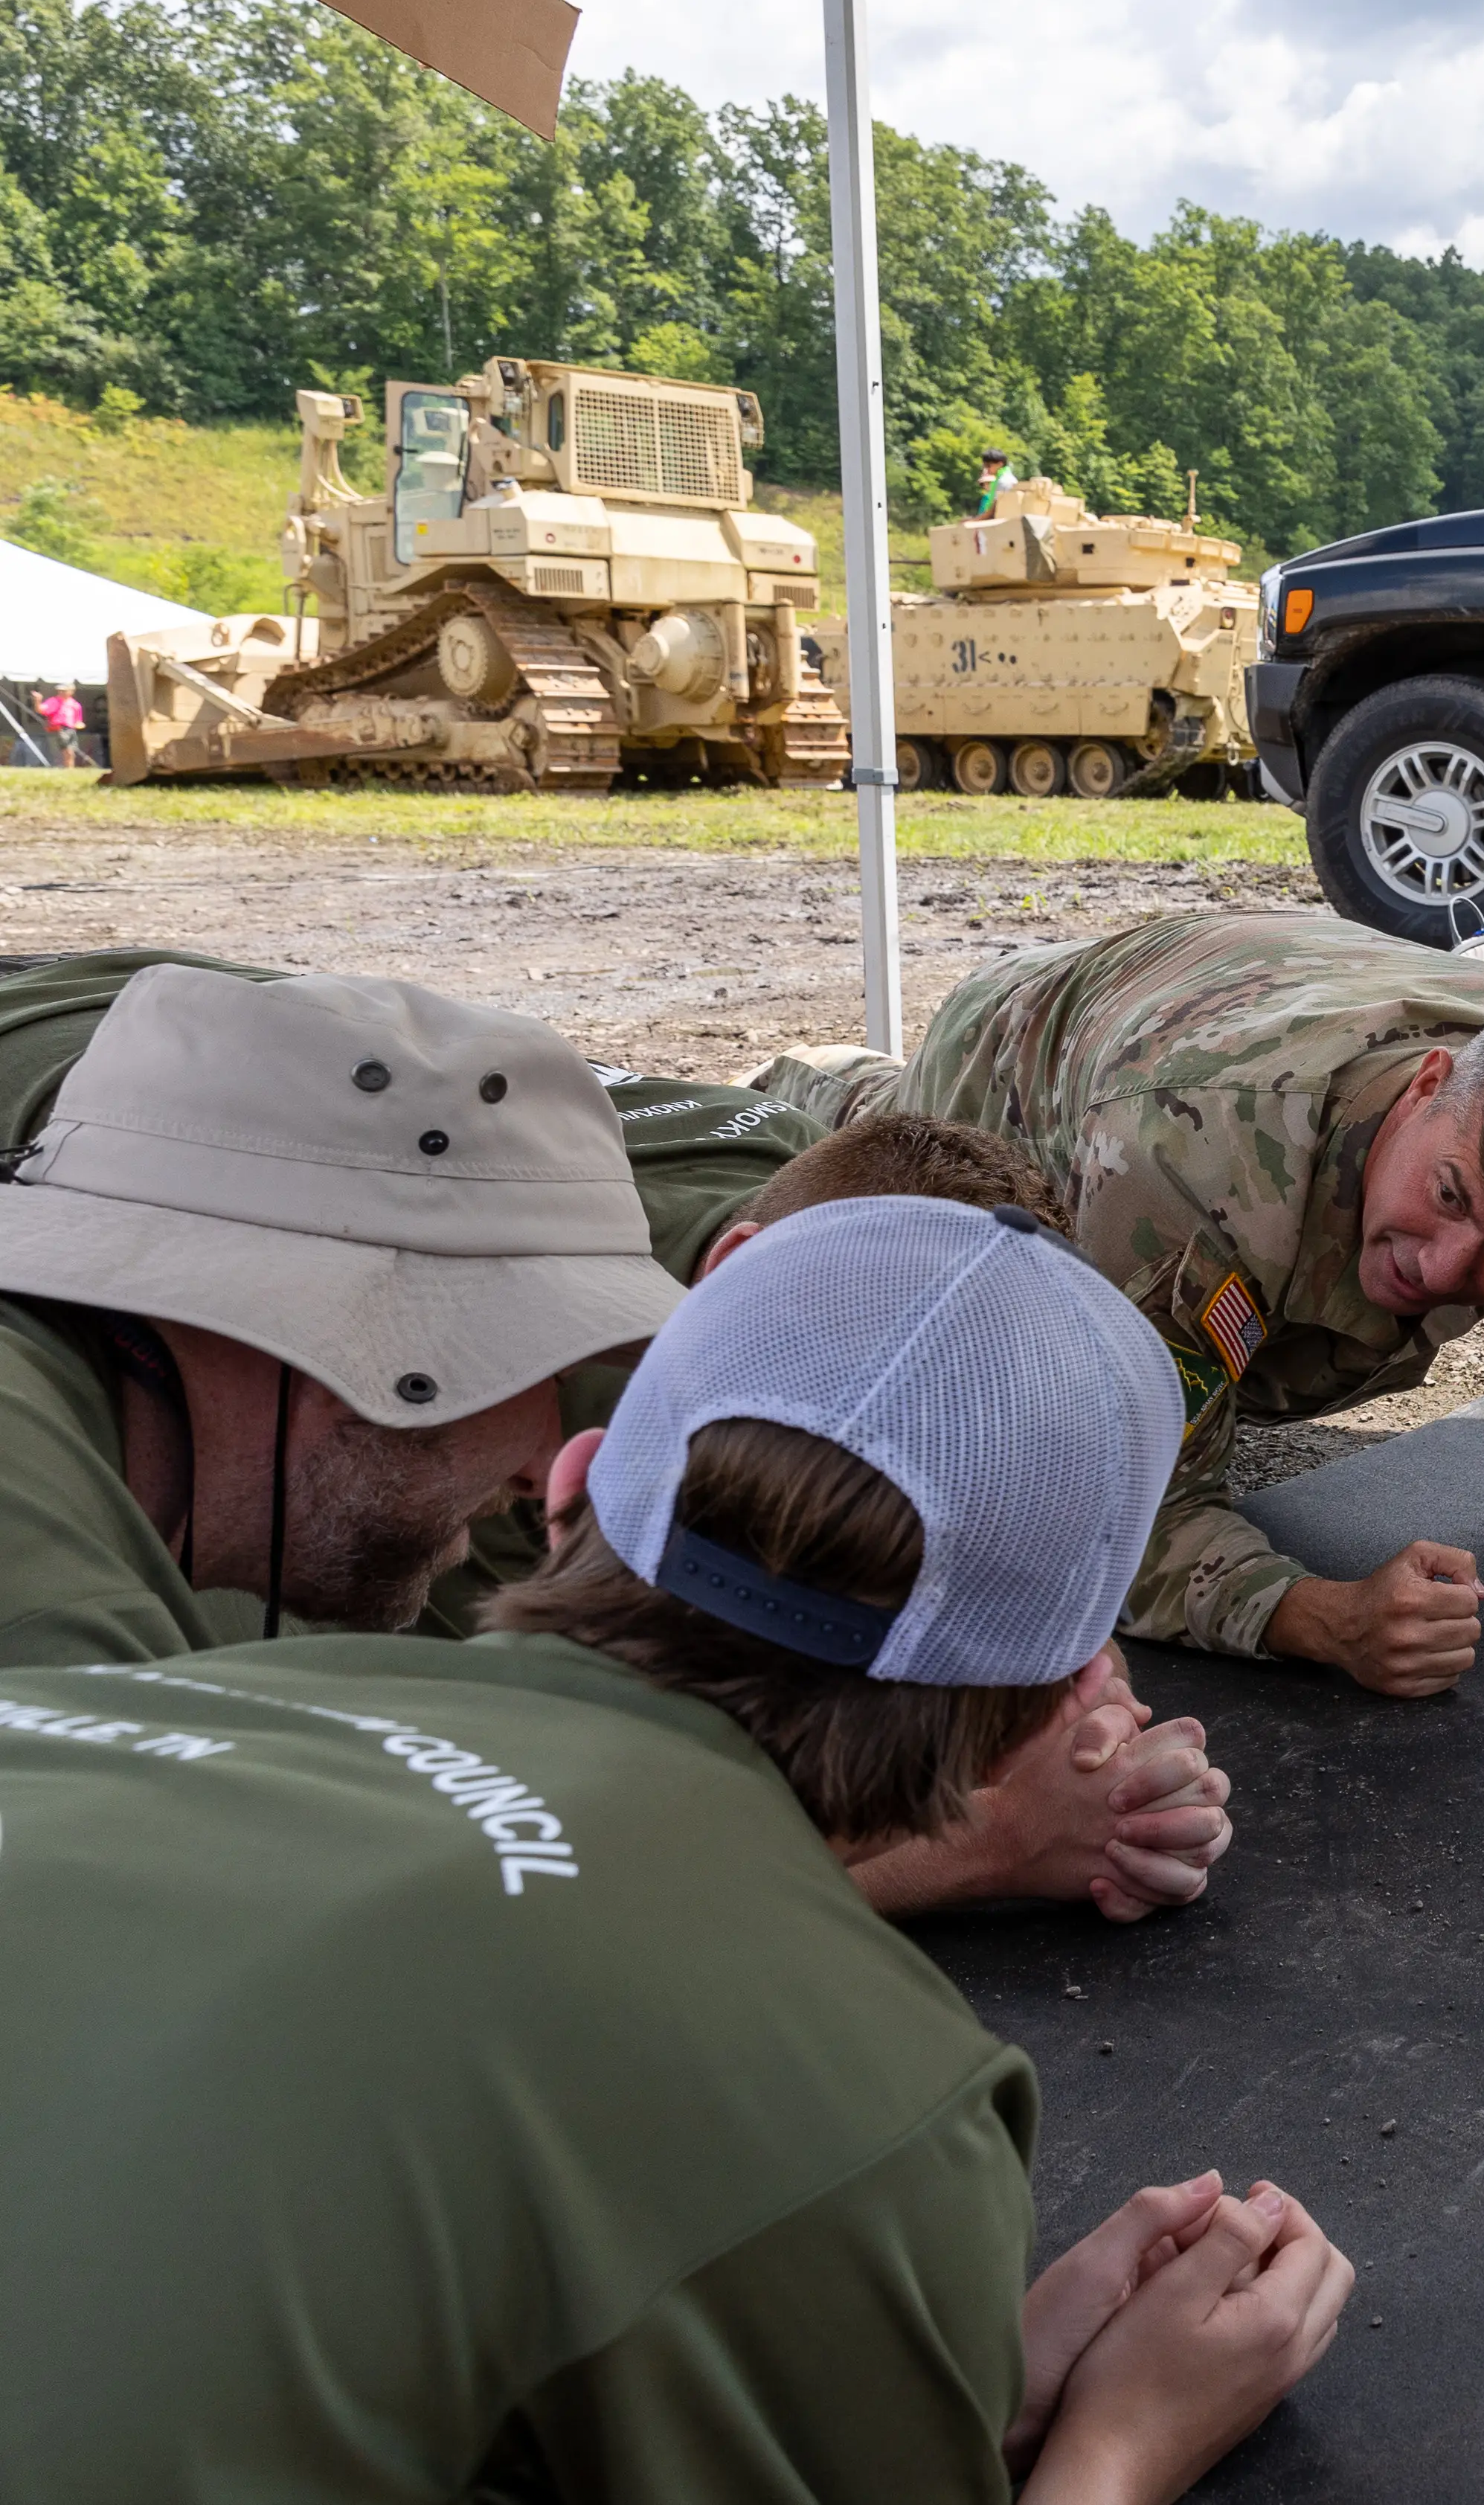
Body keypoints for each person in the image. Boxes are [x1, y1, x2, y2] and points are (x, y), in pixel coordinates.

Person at [0, 1194, 1349, 2498]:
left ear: (574, 1483)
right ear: (1068, 1701)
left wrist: (919, 2366)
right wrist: (1123, 2439)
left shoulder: (125, 1700)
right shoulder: (848, 2101)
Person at [0, 949, 1236, 1925]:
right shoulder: (37, 1573)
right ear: (354, 1339)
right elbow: (313, 1956)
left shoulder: (115, 1454)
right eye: (551, 1360)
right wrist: (962, 1838)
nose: (557, 1455)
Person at [760, 913, 1484, 1696]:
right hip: (1025, 1056)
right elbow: (1112, 1511)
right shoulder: (1186, 1171)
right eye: (1446, 1197)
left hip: (1232, 996)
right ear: (1430, 1085)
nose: (1444, 1270)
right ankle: (806, 1082)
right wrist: (1322, 1618)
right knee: (893, 1229)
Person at [0, 963, 684, 1671]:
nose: (545, 1468)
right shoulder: (39, 1594)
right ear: (362, 1348)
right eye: (552, 1373)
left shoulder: (208, 1513)